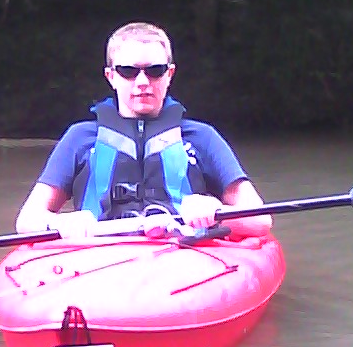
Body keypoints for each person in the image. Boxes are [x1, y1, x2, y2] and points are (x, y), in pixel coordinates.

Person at [15, 21, 272, 239]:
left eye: (155, 71)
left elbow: (261, 220)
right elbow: (27, 220)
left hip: (184, 255)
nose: (142, 82)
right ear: (111, 76)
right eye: (128, 71)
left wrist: (215, 209)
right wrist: (59, 222)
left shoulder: (202, 137)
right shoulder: (79, 138)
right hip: (97, 255)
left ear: (169, 74)